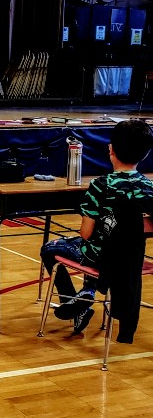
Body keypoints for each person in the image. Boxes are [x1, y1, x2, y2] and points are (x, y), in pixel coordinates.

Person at [40, 119, 153, 334]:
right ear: (145, 154)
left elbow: (86, 233)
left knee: (52, 248)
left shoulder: (100, 186)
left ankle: (74, 301)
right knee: (103, 244)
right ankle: (87, 293)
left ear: (111, 149)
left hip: (102, 259)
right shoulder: (149, 187)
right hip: (131, 261)